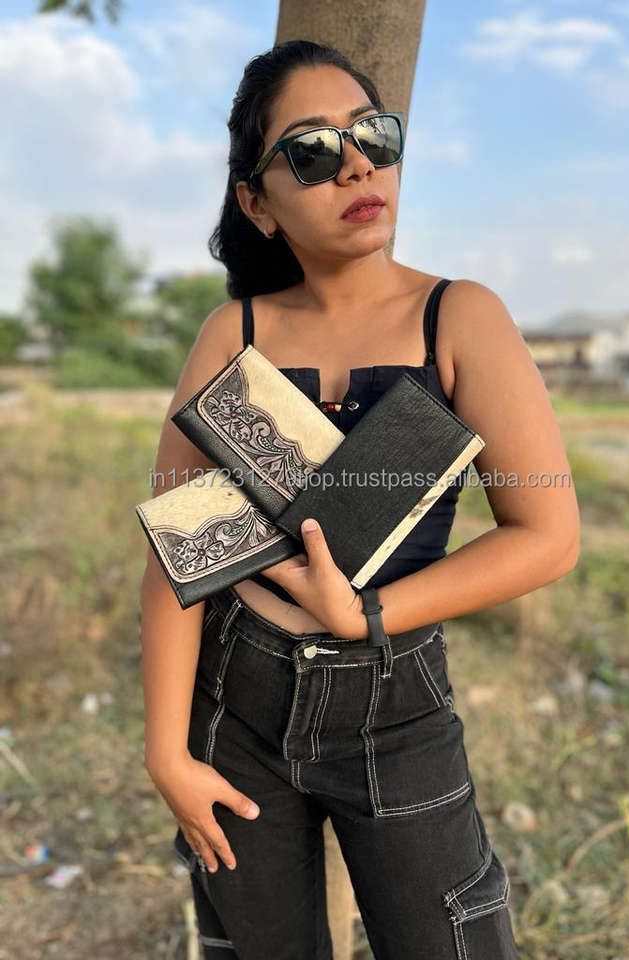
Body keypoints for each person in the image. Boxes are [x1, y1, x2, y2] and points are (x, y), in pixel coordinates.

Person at [140, 38, 579, 960]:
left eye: (372, 136)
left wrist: (366, 613)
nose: (355, 166)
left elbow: (545, 535)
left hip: (395, 704)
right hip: (235, 706)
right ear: (257, 202)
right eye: (310, 150)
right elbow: (176, 551)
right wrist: (167, 754)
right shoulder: (235, 330)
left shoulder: (459, 316)